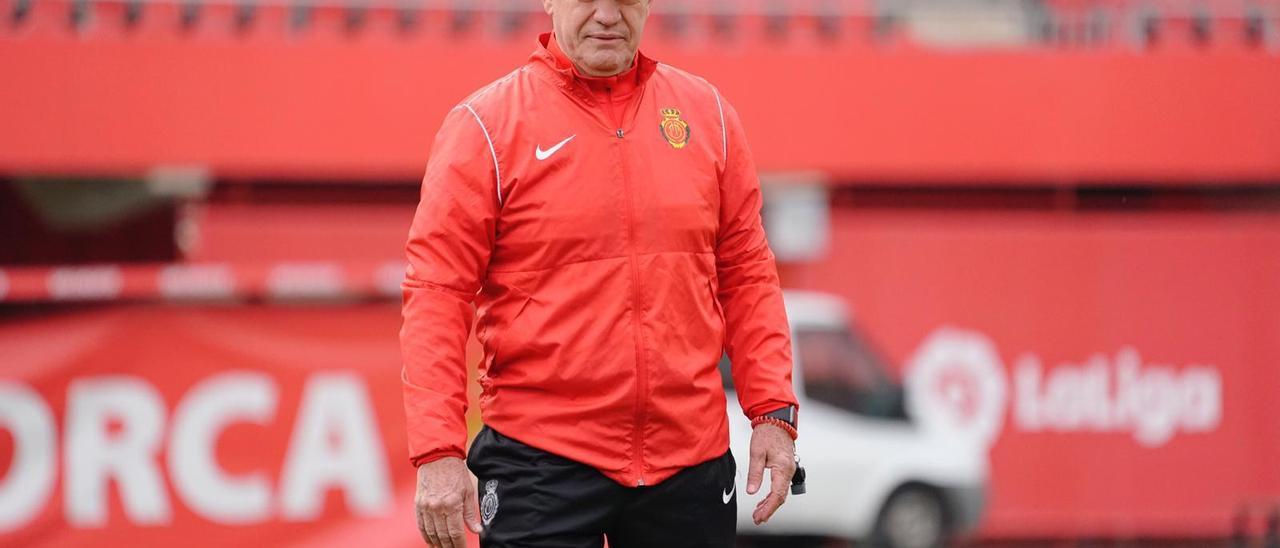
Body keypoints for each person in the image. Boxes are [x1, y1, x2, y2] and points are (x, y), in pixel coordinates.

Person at [400, 1, 799, 546]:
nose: (607, 15)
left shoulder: (709, 117)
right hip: (540, 460)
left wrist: (772, 415)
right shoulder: (485, 127)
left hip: (689, 460)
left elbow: (748, 274)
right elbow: (436, 294)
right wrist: (439, 450)